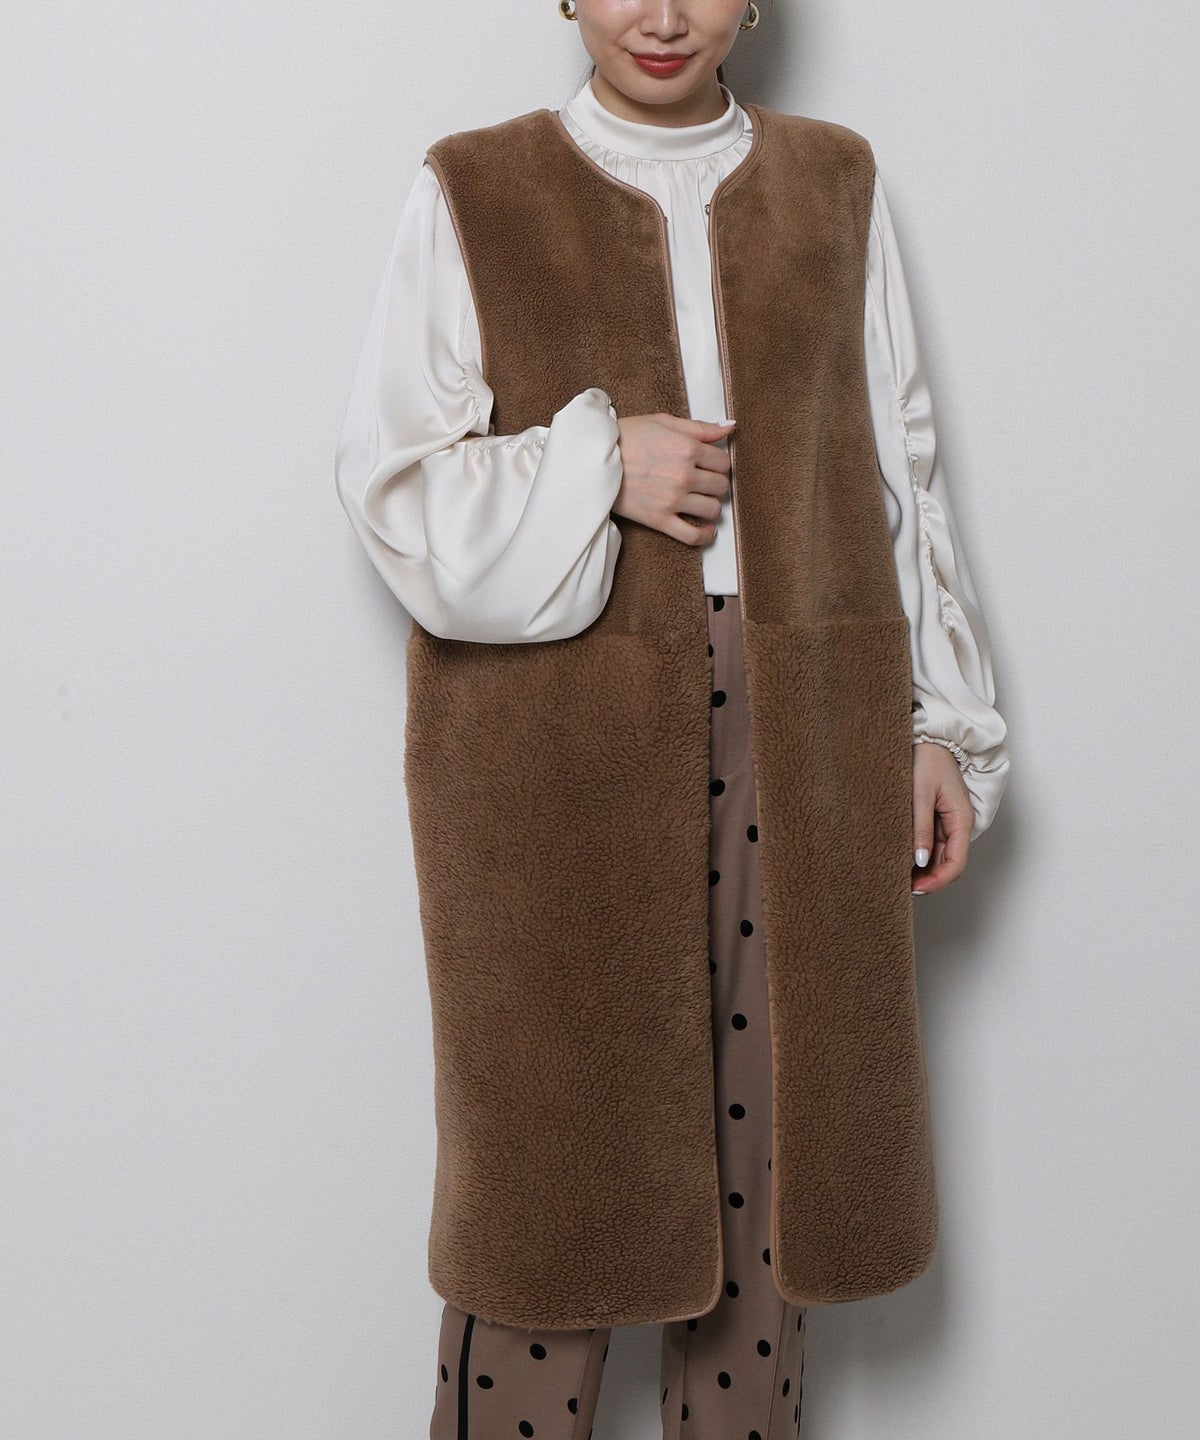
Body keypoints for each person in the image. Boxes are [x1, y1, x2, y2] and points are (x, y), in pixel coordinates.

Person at [334, 3, 1011, 1435]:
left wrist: (940, 723)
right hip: (550, 747)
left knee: (775, 1162)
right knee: (549, 1182)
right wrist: (598, 464)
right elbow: (394, 486)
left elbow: (897, 462)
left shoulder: (834, 180)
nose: (660, 15)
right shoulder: (473, 186)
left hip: (804, 726)